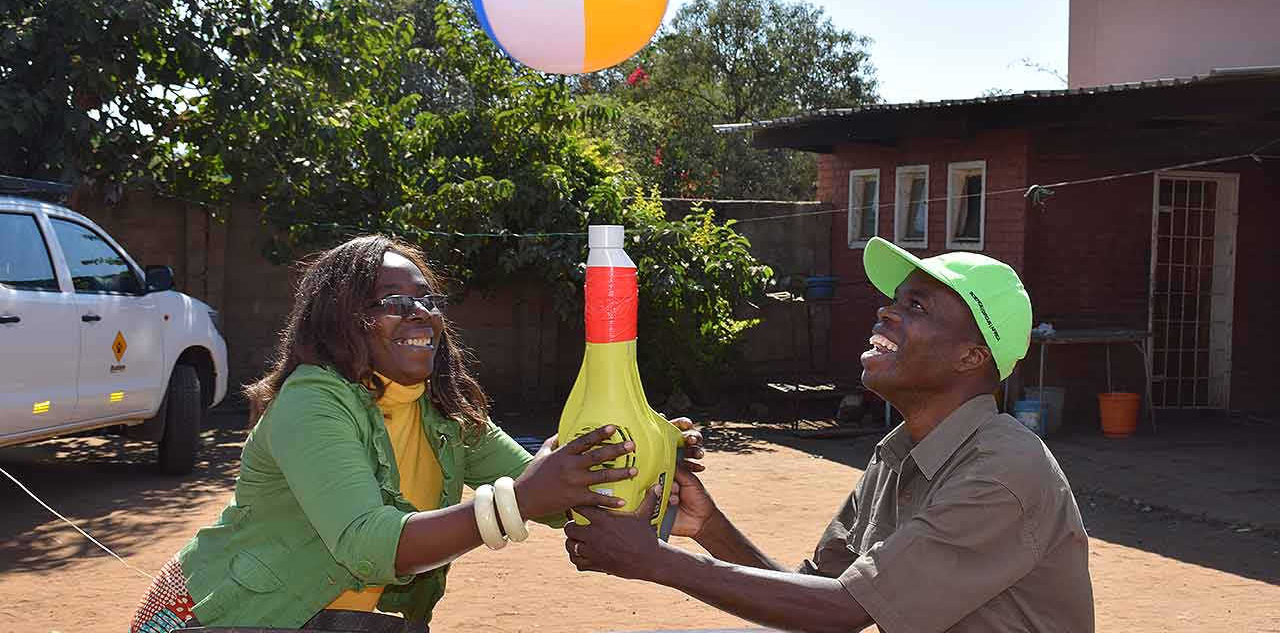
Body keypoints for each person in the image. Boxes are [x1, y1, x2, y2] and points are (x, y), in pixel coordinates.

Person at [130, 235, 702, 633]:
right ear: (342, 316)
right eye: (395, 302)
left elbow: (552, 488)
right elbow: (370, 544)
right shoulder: (314, 400)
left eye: (428, 301)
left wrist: (643, 458)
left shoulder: (442, 411)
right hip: (227, 616)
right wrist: (525, 499)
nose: (421, 314)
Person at [563, 236, 1095, 633]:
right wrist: (710, 527)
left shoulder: (1001, 473)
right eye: (895, 298)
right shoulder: (901, 455)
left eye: (916, 306)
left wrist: (655, 562)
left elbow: (841, 611)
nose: (886, 310)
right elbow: (816, 595)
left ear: (972, 356)